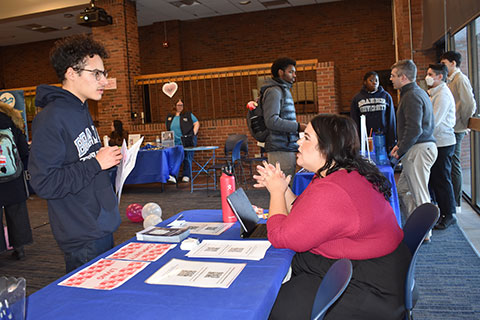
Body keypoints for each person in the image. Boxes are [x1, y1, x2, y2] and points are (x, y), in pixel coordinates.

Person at [254, 114, 409, 320]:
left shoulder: (333, 190)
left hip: (369, 286)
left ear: (327, 147)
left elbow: (281, 238)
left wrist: (275, 193)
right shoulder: (340, 174)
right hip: (370, 266)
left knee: (269, 305)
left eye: (307, 137)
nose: (299, 141)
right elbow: (305, 212)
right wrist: (282, 189)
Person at [28, 34, 123, 273]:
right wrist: (96, 163)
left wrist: (106, 160)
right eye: (96, 73)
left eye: (104, 72)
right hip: (82, 234)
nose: (104, 80)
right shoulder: (50, 118)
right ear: (72, 73)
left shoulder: (80, 109)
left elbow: (81, 161)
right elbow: (45, 183)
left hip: (99, 222)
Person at [390, 60, 437, 233]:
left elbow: (414, 129)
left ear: (403, 77)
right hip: (418, 147)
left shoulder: (411, 95)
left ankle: (424, 232)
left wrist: (400, 150)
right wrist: (400, 146)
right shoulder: (415, 93)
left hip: (419, 149)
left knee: (420, 194)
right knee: (402, 190)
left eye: (393, 76)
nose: (391, 79)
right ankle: (415, 227)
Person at [440, 51, 477, 214]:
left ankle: (456, 202)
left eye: (445, 63)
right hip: (452, 128)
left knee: (454, 164)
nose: (443, 67)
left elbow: (470, 104)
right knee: (451, 164)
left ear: (453, 63)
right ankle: (453, 201)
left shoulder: (460, 79)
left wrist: (462, 122)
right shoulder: (451, 80)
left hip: (456, 128)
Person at [261, 57, 306, 181]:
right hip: (279, 148)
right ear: (281, 73)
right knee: (283, 188)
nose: (294, 75)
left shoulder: (282, 90)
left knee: (286, 187)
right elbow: (271, 121)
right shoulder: (274, 91)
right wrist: (298, 127)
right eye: (291, 72)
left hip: (285, 146)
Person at [425, 64, 457, 230]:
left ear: (439, 77)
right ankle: (442, 211)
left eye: (430, 74)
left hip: (443, 142)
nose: (427, 77)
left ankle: (449, 214)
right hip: (436, 142)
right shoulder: (434, 93)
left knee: (442, 179)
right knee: (435, 179)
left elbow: (435, 121)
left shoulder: (443, 95)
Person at [0, 102, 33, 260]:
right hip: (14, 178)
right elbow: (24, 150)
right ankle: (19, 249)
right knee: (17, 213)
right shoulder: (12, 122)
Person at [350, 71, 396, 151]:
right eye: (371, 80)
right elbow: (354, 120)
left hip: (382, 136)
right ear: (365, 82)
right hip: (365, 137)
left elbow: (391, 119)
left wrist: (392, 140)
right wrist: (356, 140)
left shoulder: (386, 96)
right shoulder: (357, 98)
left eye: (376, 81)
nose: (374, 83)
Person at [165, 98, 200, 183]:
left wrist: (193, 134)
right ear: (175, 106)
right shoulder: (170, 116)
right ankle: (173, 176)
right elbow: (167, 127)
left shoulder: (188, 114)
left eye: (181, 105)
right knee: (174, 158)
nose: (180, 107)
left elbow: (196, 123)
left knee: (187, 157)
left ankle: (186, 175)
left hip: (186, 140)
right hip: (174, 141)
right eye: (178, 105)